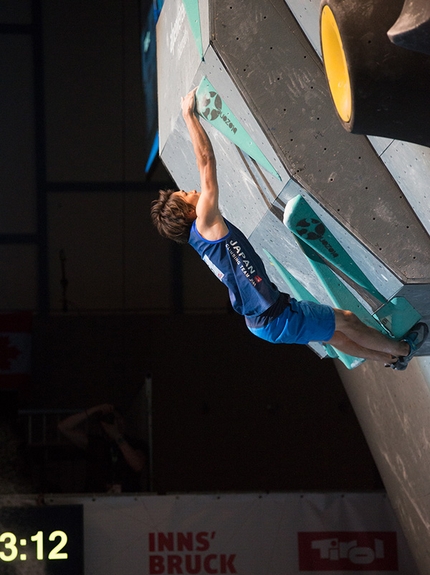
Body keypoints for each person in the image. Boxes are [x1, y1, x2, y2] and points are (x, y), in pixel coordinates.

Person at [151, 88, 428, 370]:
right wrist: (189, 116)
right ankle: (402, 348)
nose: (194, 190)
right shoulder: (204, 223)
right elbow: (206, 161)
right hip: (275, 316)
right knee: (347, 320)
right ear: (188, 212)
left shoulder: (200, 241)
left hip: (262, 322)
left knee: (334, 333)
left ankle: (391, 359)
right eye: (187, 194)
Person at [57, 404, 147, 492]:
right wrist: (94, 410)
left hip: (129, 499)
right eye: (112, 420)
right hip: (97, 498)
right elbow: (63, 427)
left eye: (119, 419)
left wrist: (117, 436)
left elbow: (138, 465)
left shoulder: (135, 443)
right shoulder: (96, 442)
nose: (116, 423)